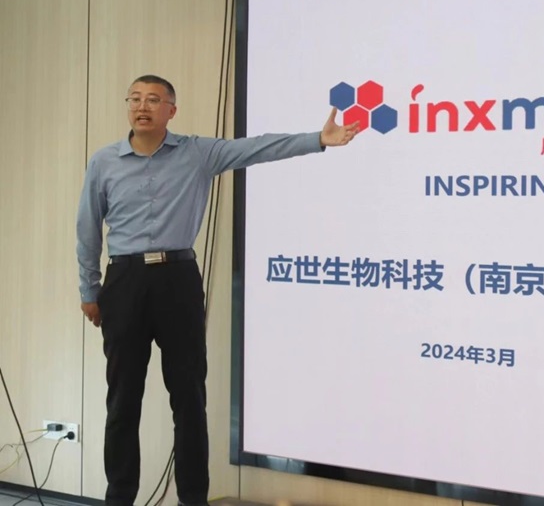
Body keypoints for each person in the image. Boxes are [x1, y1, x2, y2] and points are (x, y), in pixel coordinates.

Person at [76, 74, 359, 506]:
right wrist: (89, 289)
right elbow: (87, 229)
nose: (142, 106)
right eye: (134, 98)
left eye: (153, 99)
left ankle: (193, 498)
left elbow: (256, 148)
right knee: (122, 401)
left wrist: (317, 140)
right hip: (124, 282)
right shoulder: (103, 162)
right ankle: (119, 497)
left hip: (178, 280)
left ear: (172, 110)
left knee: (189, 398)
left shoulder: (197, 153)